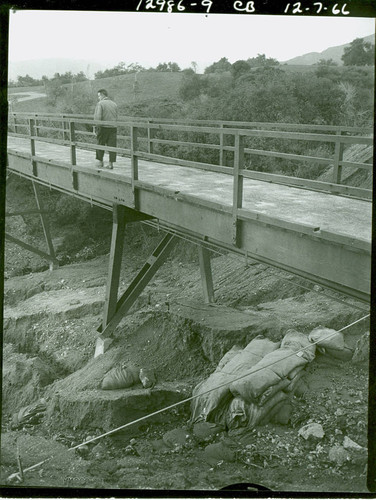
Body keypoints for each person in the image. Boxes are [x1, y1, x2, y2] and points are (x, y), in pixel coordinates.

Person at [94, 89, 118, 169]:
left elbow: (98, 117)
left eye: (99, 96)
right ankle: (111, 164)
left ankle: (100, 162)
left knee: (100, 144)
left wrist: (96, 128)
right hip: (113, 127)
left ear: (102, 95)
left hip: (103, 127)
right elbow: (116, 116)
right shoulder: (114, 104)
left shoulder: (100, 104)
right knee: (112, 146)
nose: (98, 98)